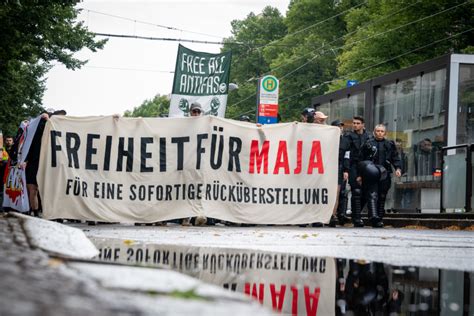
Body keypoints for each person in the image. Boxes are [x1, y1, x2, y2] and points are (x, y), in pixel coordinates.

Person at [361, 124, 401, 227]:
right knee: (372, 194)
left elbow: (395, 157)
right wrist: (361, 174)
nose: (379, 133)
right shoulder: (368, 143)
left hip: (385, 173)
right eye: (378, 131)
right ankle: (373, 217)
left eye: (382, 131)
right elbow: (362, 159)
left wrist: (397, 168)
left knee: (382, 196)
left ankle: (379, 217)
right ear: (374, 132)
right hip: (371, 173)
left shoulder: (389, 144)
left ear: (385, 133)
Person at [343, 116, 370, 227]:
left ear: (363, 124)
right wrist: (346, 169)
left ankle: (356, 212)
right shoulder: (348, 136)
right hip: (353, 165)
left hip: (366, 165)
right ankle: (357, 218)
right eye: (354, 123)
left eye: (358, 123)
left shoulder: (368, 136)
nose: (355, 125)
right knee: (356, 191)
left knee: (365, 191)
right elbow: (346, 152)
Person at [330, 120, 350, 226]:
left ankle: (333, 215)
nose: (340, 128)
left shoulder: (345, 140)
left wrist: (346, 170)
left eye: (341, 127)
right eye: (338, 126)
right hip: (327, 167)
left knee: (336, 193)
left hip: (339, 167)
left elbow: (347, 156)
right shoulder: (327, 139)